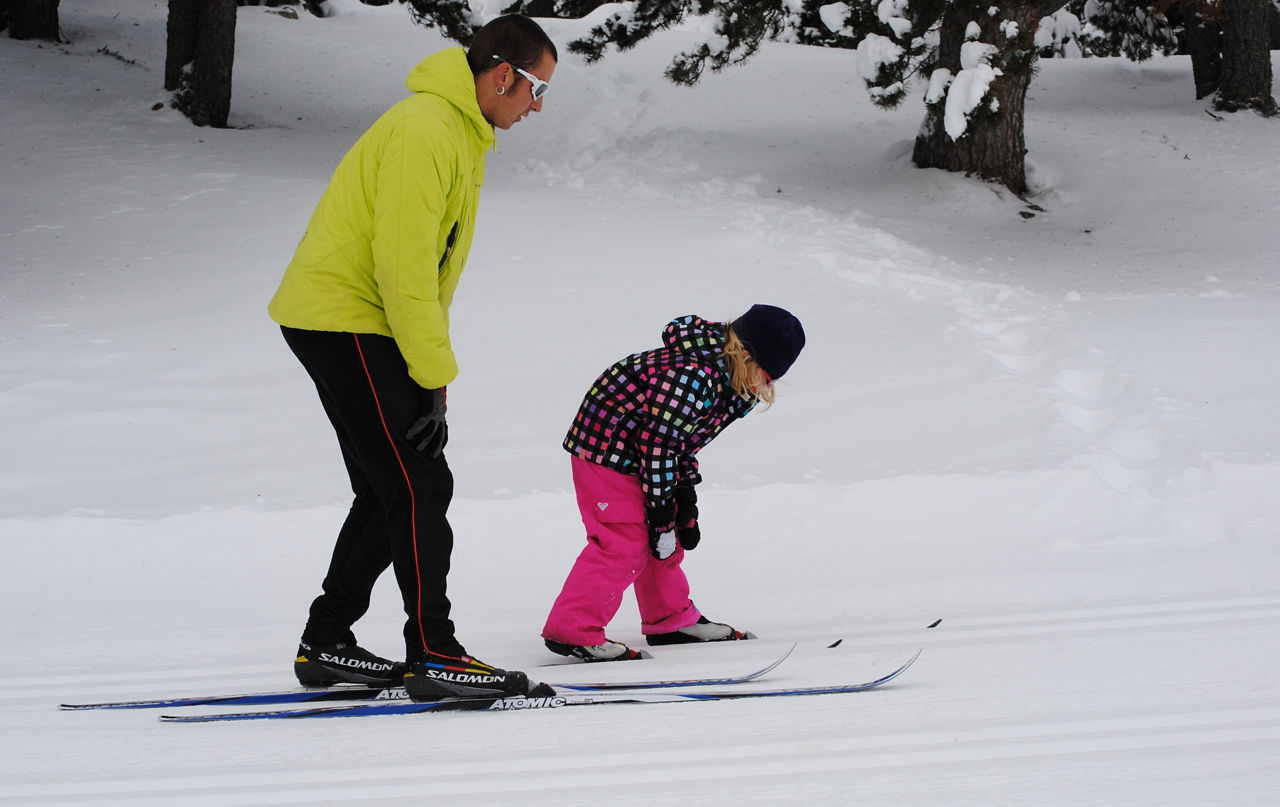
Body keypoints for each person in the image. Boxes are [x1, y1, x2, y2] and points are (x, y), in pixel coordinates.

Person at [267, 15, 557, 702]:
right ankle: (433, 651)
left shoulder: (459, 131)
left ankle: (327, 640)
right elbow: (403, 268)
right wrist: (431, 376)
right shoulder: (429, 129)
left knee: (388, 484)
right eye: (537, 87)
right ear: (502, 75)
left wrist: (431, 379)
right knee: (420, 482)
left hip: (354, 320)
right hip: (351, 318)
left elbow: (430, 271)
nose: (538, 105)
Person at [541, 305, 806, 661]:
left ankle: (670, 619)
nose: (766, 385)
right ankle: (573, 629)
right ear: (745, 355)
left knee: (666, 533)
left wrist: (683, 496)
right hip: (606, 451)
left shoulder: (725, 379)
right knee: (625, 540)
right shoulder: (693, 375)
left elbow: (680, 440)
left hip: (645, 453)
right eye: (765, 374)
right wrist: (662, 509)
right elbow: (659, 444)